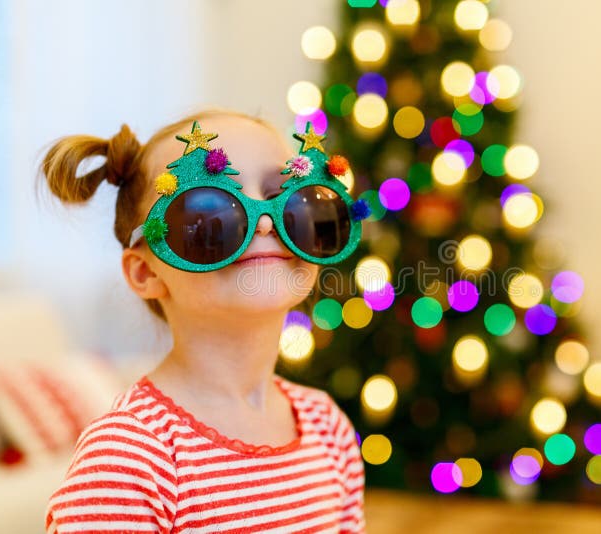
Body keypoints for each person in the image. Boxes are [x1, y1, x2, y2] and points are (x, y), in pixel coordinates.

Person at [38, 108, 367, 533]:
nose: (265, 222)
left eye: (294, 199)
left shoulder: (328, 428)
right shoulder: (129, 457)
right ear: (147, 273)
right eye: (210, 210)